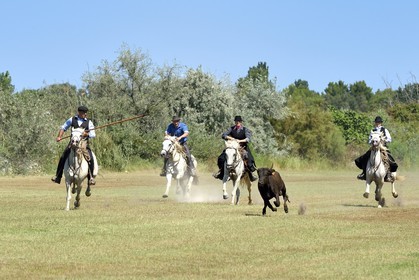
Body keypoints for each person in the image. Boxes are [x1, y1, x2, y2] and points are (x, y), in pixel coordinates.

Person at [51, 105, 97, 185]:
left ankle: (91, 178)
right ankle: (58, 176)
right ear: (79, 112)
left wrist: (86, 134)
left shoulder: (89, 122)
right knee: (63, 156)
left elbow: (93, 134)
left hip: (83, 143)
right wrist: (59, 136)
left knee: (90, 157)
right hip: (72, 143)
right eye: (83, 113)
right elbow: (63, 128)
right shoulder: (72, 119)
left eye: (85, 113)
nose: (85, 114)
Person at [213, 115, 257, 182]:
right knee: (221, 158)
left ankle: (251, 174)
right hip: (232, 146)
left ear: (241, 122)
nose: (237, 122)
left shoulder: (245, 129)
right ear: (235, 122)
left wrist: (240, 141)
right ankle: (221, 172)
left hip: (242, 146)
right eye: (236, 121)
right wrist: (232, 138)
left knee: (249, 158)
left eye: (239, 121)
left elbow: (248, 139)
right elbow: (223, 135)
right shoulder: (231, 128)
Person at [355, 116, 398, 182]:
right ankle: (364, 173)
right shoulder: (372, 131)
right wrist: (371, 141)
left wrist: (384, 140)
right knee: (364, 158)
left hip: (383, 147)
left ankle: (389, 174)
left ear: (381, 123)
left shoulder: (384, 130)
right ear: (375, 123)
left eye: (379, 122)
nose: (378, 123)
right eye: (377, 122)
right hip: (373, 147)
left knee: (390, 158)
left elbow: (389, 139)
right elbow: (369, 140)